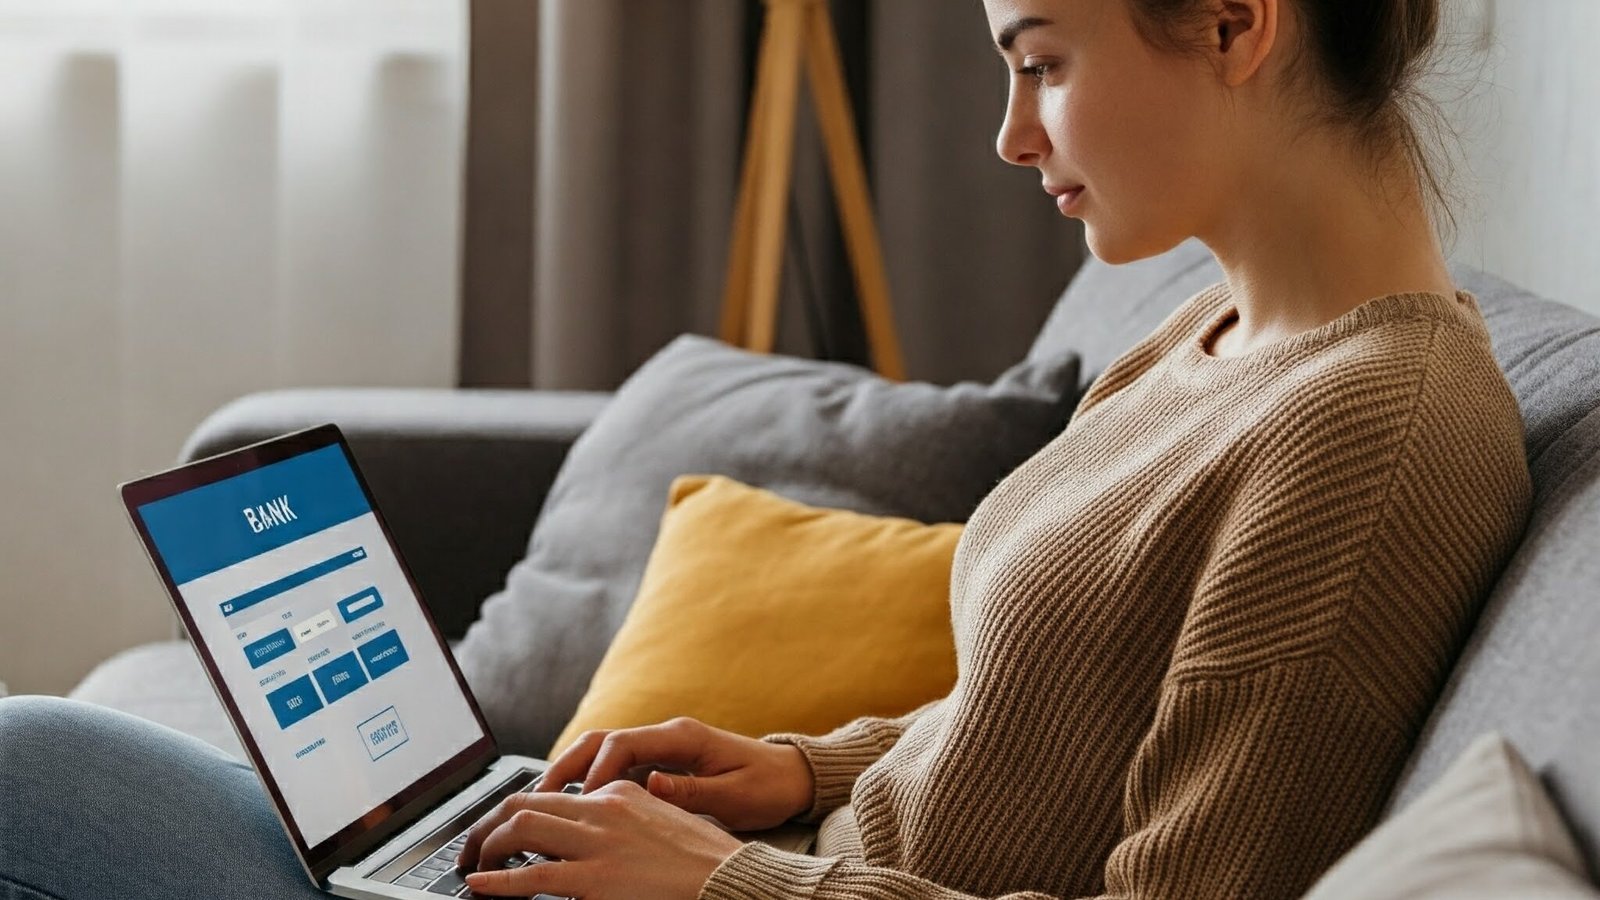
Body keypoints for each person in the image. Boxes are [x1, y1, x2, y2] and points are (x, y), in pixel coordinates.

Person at [0, 0, 1532, 898]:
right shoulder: (1211, 333)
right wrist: (789, 769)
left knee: (25, 772)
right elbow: (1045, 728)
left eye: (1042, 60)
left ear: (1236, 21)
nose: (1011, 133)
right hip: (775, 866)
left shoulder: (1373, 435)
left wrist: (725, 885)